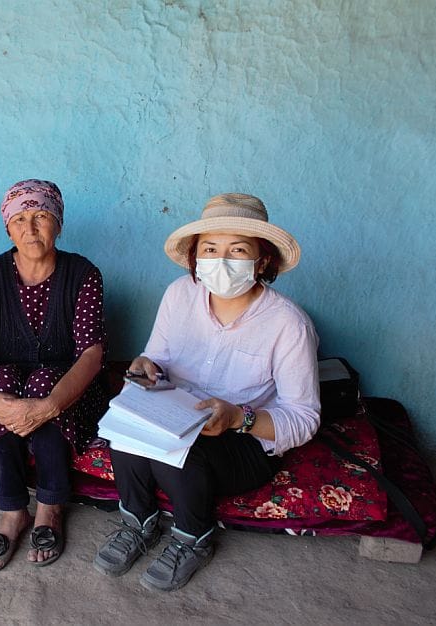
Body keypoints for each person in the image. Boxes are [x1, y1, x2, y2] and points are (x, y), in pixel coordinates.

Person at [93, 193, 320, 591]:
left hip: (244, 439)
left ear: (262, 260)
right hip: (178, 412)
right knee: (125, 434)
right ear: (195, 256)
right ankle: (138, 522)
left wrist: (238, 418)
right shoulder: (179, 294)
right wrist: (145, 366)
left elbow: (304, 418)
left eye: (238, 250)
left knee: (178, 455)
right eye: (211, 249)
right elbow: (155, 357)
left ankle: (192, 538)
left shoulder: (289, 324)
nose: (221, 261)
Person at [0, 179, 106, 572]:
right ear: (8, 228)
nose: (31, 227)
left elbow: (91, 353)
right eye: (20, 219)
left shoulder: (83, 273)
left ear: (58, 223)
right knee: (0, 382)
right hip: (6, 385)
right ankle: (12, 511)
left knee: (43, 383)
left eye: (41, 216)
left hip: (67, 389)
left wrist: (49, 405)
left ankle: (50, 508)